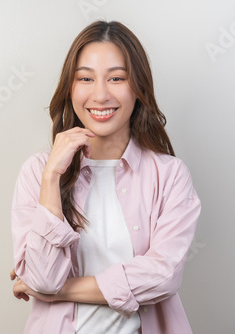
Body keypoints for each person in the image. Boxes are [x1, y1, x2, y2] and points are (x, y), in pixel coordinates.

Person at [10, 20, 201, 334]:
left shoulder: (169, 175)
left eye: (116, 78)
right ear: (69, 87)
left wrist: (58, 290)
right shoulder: (37, 172)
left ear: (138, 87)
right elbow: (42, 276)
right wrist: (51, 179)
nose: (100, 94)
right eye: (85, 78)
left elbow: (163, 277)